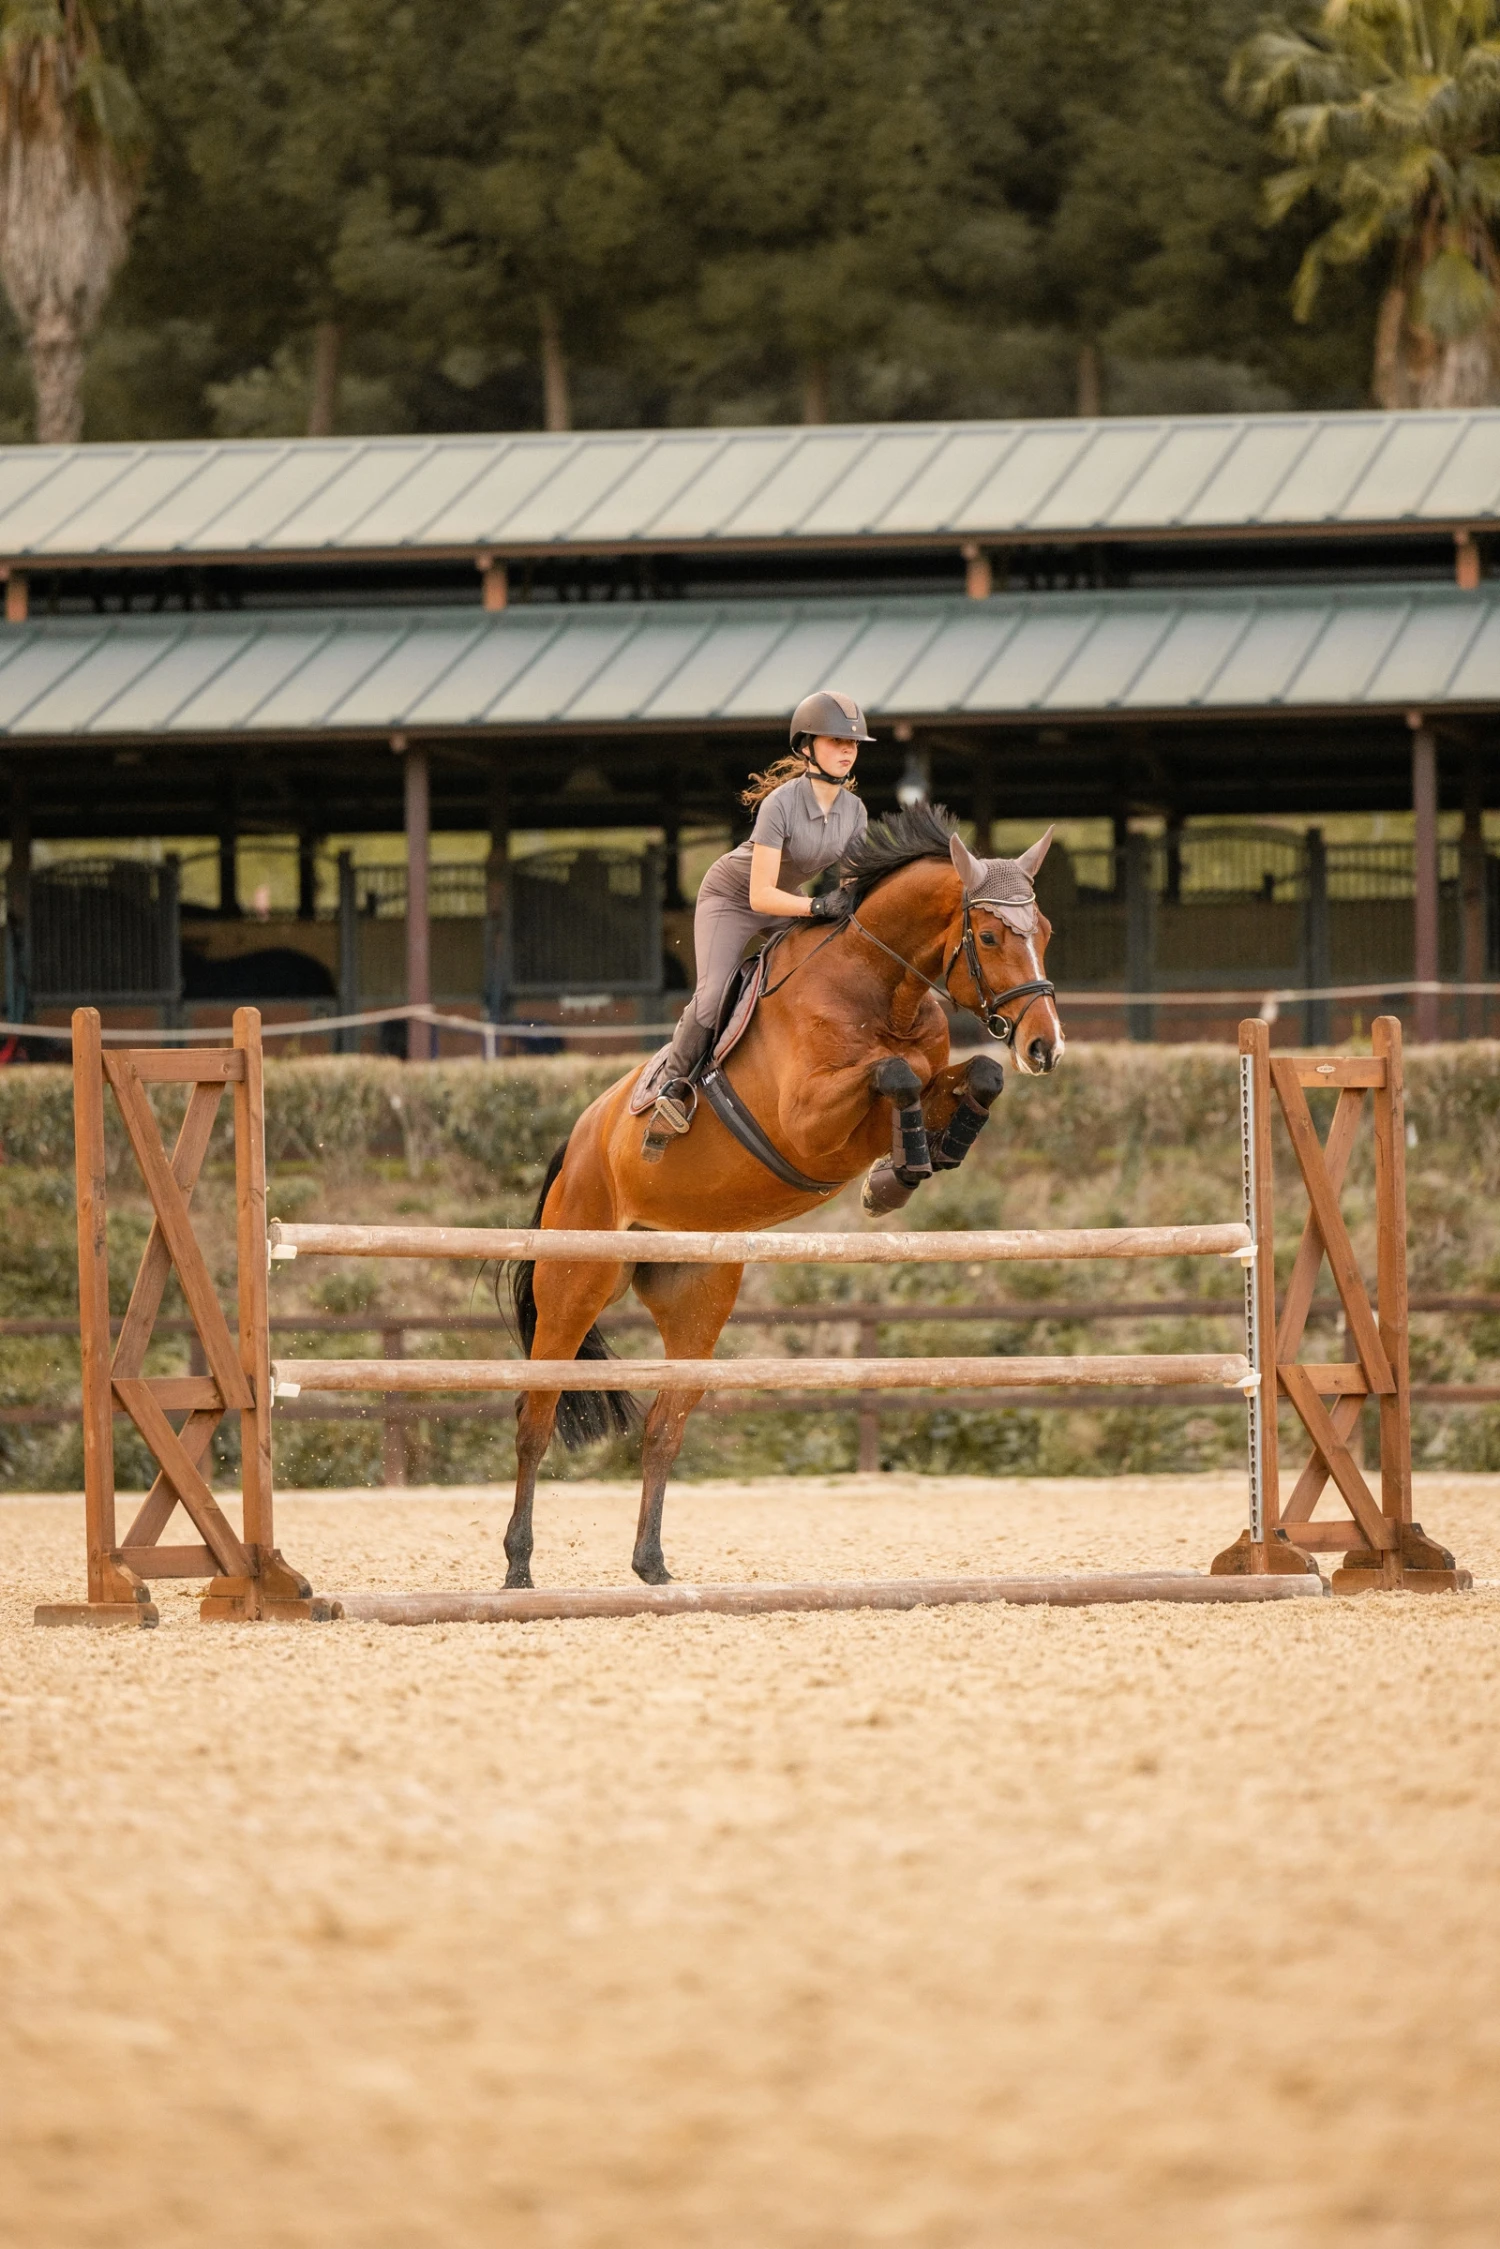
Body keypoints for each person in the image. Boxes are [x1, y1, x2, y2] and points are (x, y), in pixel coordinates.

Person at [645, 689, 873, 1142]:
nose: (847, 750)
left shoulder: (855, 811)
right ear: (806, 747)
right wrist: (816, 906)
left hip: (787, 898)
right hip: (733, 897)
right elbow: (761, 894)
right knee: (713, 995)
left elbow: (852, 886)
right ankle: (672, 1085)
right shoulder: (781, 804)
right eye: (836, 741)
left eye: (852, 743)